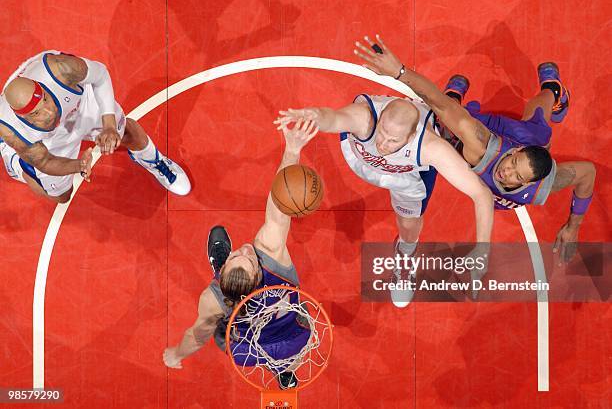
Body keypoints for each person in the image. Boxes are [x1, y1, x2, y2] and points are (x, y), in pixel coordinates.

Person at [354, 34, 596, 264]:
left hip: (518, 141)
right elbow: (437, 102)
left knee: (539, 129)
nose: (507, 172)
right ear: (514, 152)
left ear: (530, 183)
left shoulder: (545, 186)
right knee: (446, 123)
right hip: (490, 133)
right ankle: (545, 91)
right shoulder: (481, 147)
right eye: (512, 163)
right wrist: (399, 72)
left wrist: (573, 226)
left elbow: (588, 173)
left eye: (517, 176)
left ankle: (544, 91)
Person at [274, 81, 494, 307]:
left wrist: (483, 248)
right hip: (361, 160)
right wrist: (314, 116)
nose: (383, 144)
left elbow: (481, 194)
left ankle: (406, 256)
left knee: (408, 227)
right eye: (383, 133)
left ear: (409, 137)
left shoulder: (430, 147)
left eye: (393, 140)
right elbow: (333, 118)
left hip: (405, 177)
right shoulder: (365, 119)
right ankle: (449, 100)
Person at [163, 119, 320, 389]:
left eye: (237, 254)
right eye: (245, 257)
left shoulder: (212, 299)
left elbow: (198, 336)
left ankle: (280, 367)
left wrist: (176, 354)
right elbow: (279, 207)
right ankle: (286, 373)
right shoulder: (270, 256)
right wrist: (292, 151)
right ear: (259, 272)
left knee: (218, 328)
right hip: (294, 336)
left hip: (250, 350)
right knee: (294, 351)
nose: (246, 249)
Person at [0, 50, 191, 203]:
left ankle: (154, 161)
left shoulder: (61, 70)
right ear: (21, 115)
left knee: (122, 131)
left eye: (45, 100)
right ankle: (17, 164)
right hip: (46, 141)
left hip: (78, 106)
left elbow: (100, 75)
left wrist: (108, 125)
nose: (49, 112)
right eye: (36, 113)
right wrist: (79, 165)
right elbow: (46, 162)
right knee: (62, 196)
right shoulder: (13, 131)